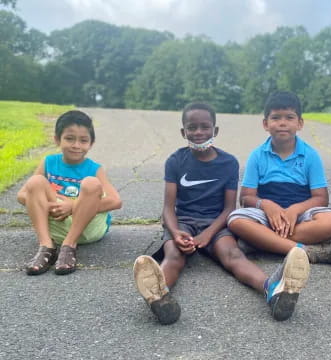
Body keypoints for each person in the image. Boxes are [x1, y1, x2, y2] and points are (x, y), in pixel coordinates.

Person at [133, 102, 310, 325]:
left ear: (215, 130)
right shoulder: (175, 161)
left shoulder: (228, 163)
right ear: (183, 132)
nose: (198, 132)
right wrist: (176, 232)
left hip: (217, 224)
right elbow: (168, 208)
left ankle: (273, 291)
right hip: (182, 223)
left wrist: (207, 234)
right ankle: (159, 296)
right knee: (174, 256)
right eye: (192, 127)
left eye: (205, 127)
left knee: (233, 256)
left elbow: (229, 208)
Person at [227, 91, 331, 265]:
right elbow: (246, 197)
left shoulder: (310, 155)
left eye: (289, 117)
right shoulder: (258, 155)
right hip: (266, 216)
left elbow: (321, 198)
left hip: (300, 215)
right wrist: (266, 205)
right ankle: (305, 251)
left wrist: (296, 210)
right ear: (265, 124)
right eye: (276, 118)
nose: (282, 123)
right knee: (236, 220)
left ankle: (262, 241)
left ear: (300, 123)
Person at [17, 110, 122, 275]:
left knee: (91, 183)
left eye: (83, 140)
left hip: (86, 228)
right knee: (35, 182)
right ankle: (46, 246)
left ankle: (69, 246)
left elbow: (115, 201)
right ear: (57, 140)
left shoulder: (94, 168)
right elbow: (23, 195)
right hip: (56, 224)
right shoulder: (49, 162)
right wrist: (49, 205)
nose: (76, 145)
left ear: (91, 144)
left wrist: (72, 206)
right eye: (69, 138)